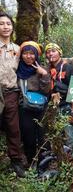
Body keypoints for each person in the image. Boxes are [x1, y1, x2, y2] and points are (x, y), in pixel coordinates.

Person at [16, 41, 51, 166]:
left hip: (41, 108)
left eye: (32, 53)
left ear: (36, 55)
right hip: (24, 108)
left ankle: (44, 164)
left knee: (42, 136)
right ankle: (30, 162)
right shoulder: (17, 68)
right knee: (28, 136)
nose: (29, 56)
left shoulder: (42, 67)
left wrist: (44, 74)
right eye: (25, 53)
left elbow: (47, 90)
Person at [0, 12, 24, 177]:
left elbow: (28, 65)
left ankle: (15, 160)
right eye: (2, 24)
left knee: (13, 127)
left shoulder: (17, 49)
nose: (5, 27)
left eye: (8, 23)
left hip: (11, 92)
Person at [45, 43, 73, 149]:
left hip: (66, 105)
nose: (50, 54)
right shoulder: (47, 70)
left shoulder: (68, 68)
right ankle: (60, 158)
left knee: (69, 135)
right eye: (48, 52)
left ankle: (72, 157)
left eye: (53, 51)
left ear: (59, 52)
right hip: (52, 106)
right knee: (56, 134)